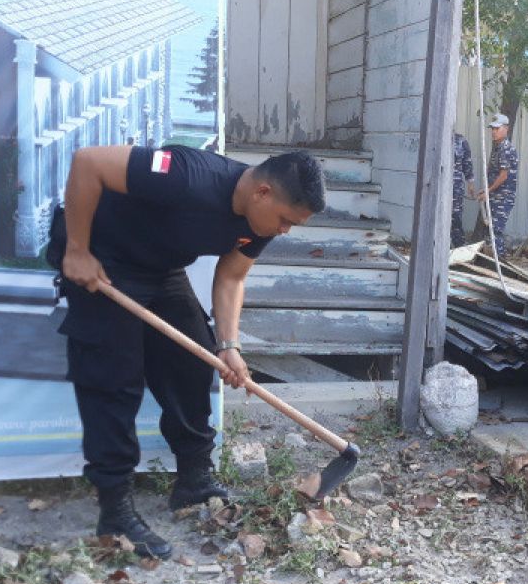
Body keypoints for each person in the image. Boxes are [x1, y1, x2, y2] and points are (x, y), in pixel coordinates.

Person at [52, 145, 325, 559]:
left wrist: (229, 346)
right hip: (103, 257)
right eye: (286, 220)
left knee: (194, 363)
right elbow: (89, 162)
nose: (285, 230)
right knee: (114, 379)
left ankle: (194, 480)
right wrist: (77, 250)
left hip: (160, 269)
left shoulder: (262, 222)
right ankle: (115, 510)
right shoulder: (185, 175)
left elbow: (232, 276)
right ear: (263, 192)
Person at [476, 113, 518, 258]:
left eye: (497, 128)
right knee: (490, 231)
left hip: (503, 196)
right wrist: (487, 189)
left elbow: (503, 175)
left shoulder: (506, 148)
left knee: (495, 230)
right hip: (495, 195)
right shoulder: (497, 147)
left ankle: (499, 263)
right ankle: (493, 262)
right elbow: (494, 173)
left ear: (506, 129)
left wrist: (488, 190)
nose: (493, 132)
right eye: (492, 129)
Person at [451, 131, 475, 248]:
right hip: (437, 187)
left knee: (455, 216)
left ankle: (459, 246)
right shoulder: (436, 138)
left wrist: (470, 183)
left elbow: (467, 164)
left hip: (456, 188)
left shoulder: (461, 141)